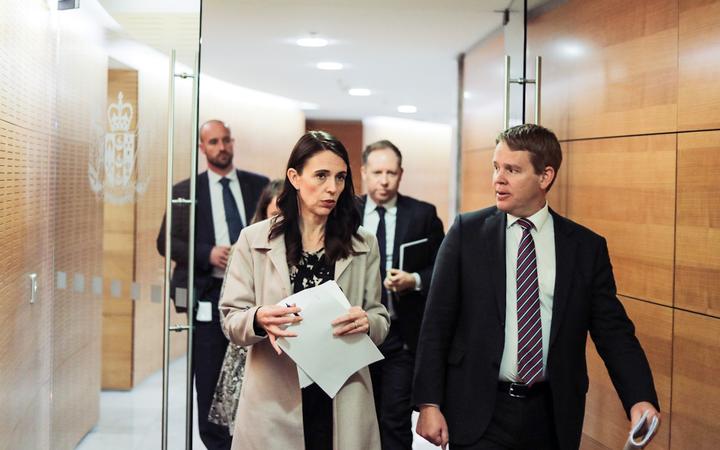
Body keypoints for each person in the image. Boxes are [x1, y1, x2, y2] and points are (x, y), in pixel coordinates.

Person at [413, 124, 660, 450]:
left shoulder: (585, 248)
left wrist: (639, 398)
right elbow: (436, 325)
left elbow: (614, 333)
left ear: (545, 177)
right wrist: (429, 404)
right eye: (496, 167)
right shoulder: (466, 234)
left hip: (551, 416)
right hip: (479, 411)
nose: (498, 179)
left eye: (512, 170)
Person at [219, 130, 390, 450]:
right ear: (294, 177)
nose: (332, 188)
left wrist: (367, 321)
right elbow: (231, 320)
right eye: (321, 176)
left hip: (342, 393)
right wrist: (259, 318)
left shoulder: (364, 242)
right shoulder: (254, 239)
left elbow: (380, 316)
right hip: (274, 396)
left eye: (340, 177)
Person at [156, 119, 269, 450]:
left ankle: (244, 440)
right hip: (207, 298)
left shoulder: (258, 186)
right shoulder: (185, 192)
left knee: (250, 378)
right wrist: (208, 253)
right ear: (202, 148)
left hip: (253, 299)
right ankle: (215, 443)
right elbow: (167, 242)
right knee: (208, 379)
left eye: (226, 140)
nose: (222, 147)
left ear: (232, 143)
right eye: (214, 142)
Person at [359, 140, 444, 449]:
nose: (384, 180)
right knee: (356, 417)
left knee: (393, 418)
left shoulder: (422, 214)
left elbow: (442, 267)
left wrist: (415, 279)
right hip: (357, 333)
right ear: (364, 172)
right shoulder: (346, 213)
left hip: (401, 335)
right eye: (377, 172)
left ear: (401, 174)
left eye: (391, 173)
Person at [208, 178, 284, 433]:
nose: (280, 222)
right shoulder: (248, 246)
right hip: (250, 352)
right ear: (262, 214)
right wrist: (259, 317)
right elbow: (229, 314)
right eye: (274, 214)